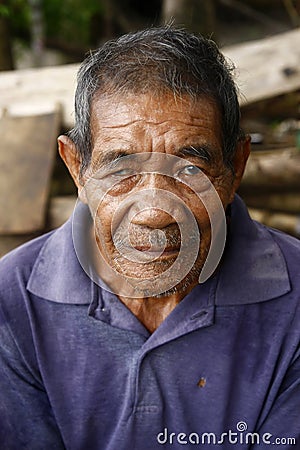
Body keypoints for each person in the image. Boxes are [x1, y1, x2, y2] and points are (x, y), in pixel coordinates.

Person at [0, 26, 299, 450]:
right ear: (77, 168)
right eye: (121, 170)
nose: (155, 212)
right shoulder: (12, 303)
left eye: (189, 169)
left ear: (235, 166)